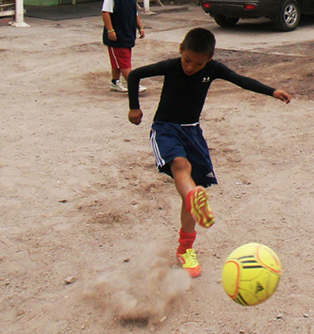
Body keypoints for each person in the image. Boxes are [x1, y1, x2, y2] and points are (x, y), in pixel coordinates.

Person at [124, 27, 291, 278]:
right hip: (166, 128)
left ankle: (185, 249)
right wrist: (134, 108)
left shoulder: (213, 70)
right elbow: (135, 75)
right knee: (181, 167)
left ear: (210, 59)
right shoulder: (171, 66)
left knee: (188, 191)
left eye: (198, 63)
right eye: (187, 60)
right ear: (181, 49)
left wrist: (271, 91)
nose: (190, 67)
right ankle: (194, 198)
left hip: (192, 132)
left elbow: (241, 80)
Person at [102, 0, 145, 93]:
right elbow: (105, 13)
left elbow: (135, 14)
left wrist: (140, 27)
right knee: (124, 63)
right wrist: (110, 30)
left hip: (128, 34)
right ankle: (133, 86)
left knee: (118, 62)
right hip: (117, 36)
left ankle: (115, 82)